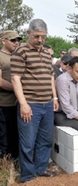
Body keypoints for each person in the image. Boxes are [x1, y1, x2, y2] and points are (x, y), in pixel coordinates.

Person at [11, 19, 59, 182]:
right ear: (28, 33)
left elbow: (51, 76)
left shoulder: (46, 53)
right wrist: (23, 104)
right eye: (37, 36)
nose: (40, 40)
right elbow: (15, 78)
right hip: (30, 104)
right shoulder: (21, 51)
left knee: (45, 141)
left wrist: (54, 97)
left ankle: (40, 168)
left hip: (47, 104)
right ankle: (28, 176)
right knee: (28, 143)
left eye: (43, 37)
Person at [0, 30, 22, 159]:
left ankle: (15, 162)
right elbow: (0, 82)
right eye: (13, 40)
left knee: (15, 135)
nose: (16, 43)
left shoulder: (17, 56)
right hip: (3, 104)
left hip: (18, 104)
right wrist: (18, 89)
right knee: (4, 136)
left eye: (18, 40)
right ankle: (5, 166)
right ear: (3, 41)